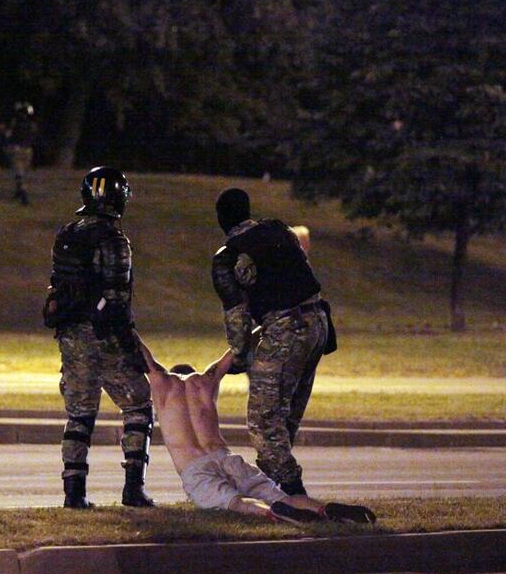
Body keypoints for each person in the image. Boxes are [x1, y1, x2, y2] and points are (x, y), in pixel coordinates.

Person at [138, 339, 375, 525]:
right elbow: (233, 352)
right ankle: (321, 509)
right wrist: (260, 327)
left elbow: (145, 356)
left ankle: (271, 514)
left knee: (235, 502)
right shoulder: (205, 381)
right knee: (281, 496)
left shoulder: (162, 383)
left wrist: (123, 322)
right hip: (227, 458)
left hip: (196, 468)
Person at [211, 188, 336, 496]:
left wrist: (239, 356)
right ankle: (268, 489)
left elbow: (237, 316)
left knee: (264, 420)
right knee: (285, 415)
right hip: (318, 322)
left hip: (285, 329)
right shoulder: (279, 230)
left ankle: (296, 494)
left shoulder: (229, 257)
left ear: (221, 220)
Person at [43, 167, 153, 509]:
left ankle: (73, 493)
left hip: (71, 335)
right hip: (105, 336)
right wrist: (131, 346)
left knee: (79, 414)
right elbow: (116, 300)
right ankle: (133, 488)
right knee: (138, 406)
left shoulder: (67, 234)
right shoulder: (114, 239)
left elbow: (59, 286)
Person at [6, 101, 38, 205]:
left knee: (19, 172)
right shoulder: (32, 124)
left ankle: (23, 194)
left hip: (18, 148)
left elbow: (9, 135)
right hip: (28, 149)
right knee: (23, 172)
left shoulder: (15, 123)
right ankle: (19, 191)